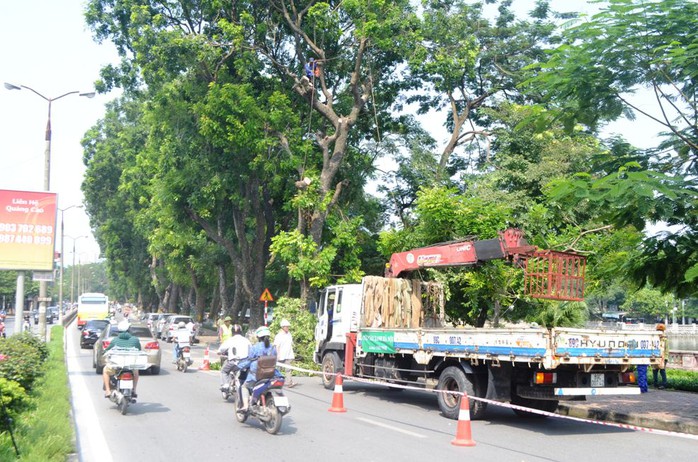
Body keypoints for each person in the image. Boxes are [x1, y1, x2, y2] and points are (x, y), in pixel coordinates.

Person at [238, 326, 277, 412]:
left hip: (256, 375)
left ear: (258, 337)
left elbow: (249, 360)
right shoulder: (273, 348)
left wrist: (239, 366)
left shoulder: (255, 347)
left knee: (244, 386)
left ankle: (245, 406)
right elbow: (275, 359)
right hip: (270, 375)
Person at [103, 320, 141, 398]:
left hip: (117, 366)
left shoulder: (115, 340)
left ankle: (107, 390)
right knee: (136, 373)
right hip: (130, 366)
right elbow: (139, 350)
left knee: (105, 371)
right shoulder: (135, 340)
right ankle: (134, 390)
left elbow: (107, 350)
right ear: (129, 329)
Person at [218, 324, 252, 391]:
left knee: (224, 371)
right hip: (246, 363)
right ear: (241, 331)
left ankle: (226, 385)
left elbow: (221, 349)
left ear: (232, 332)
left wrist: (219, 352)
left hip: (235, 362)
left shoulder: (230, 340)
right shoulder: (246, 340)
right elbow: (251, 350)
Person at [273, 319, 296, 387]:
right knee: (278, 369)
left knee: (288, 369)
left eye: (288, 326)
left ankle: (289, 382)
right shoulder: (279, 336)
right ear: (283, 327)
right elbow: (276, 346)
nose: (288, 328)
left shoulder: (289, 334)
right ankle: (276, 381)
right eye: (286, 326)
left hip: (288, 355)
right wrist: (278, 355)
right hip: (281, 355)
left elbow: (291, 343)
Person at [653, 323, 669, 389]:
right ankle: (655, 383)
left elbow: (666, 349)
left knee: (662, 371)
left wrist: (666, 358)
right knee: (655, 370)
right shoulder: (655, 338)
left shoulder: (665, 339)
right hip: (655, 356)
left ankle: (664, 384)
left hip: (663, 357)